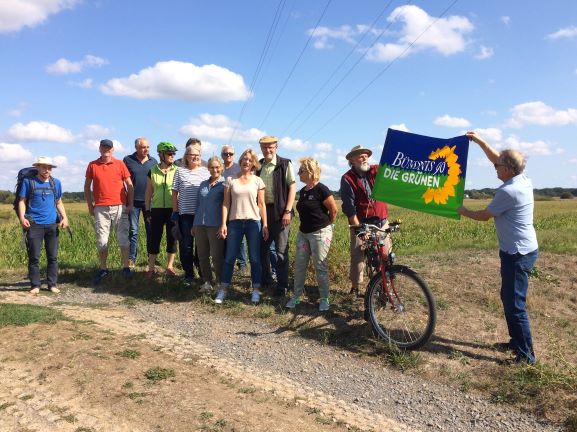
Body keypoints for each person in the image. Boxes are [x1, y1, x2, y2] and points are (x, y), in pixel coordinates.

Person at [458, 131, 539, 365]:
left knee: (515, 305)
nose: (495, 167)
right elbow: (498, 158)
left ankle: (525, 356)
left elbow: (484, 216)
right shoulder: (521, 178)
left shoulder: (509, 191)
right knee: (507, 297)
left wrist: (464, 212)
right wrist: (480, 141)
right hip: (520, 249)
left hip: (518, 253)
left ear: (508, 169)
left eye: (498, 166)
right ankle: (516, 342)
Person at [216, 149, 268, 304]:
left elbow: (261, 204)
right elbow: (226, 203)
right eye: (244, 159)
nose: (246, 161)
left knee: (254, 258)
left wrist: (265, 224)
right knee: (230, 257)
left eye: (250, 159)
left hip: (253, 223)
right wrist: (223, 224)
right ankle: (223, 289)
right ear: (240, 161)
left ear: (254, 163)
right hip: (235, 223)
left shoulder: (258, 181)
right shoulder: (230, 179)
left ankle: (256, 290)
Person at [286, 158, 337, 312]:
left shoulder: (322, 189)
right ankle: (296, 296)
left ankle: (324, 299)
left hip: (320, 233)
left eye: (301, 171)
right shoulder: (303, 192)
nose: (298, 173)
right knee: (300, 266)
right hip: (303, 233)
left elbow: (333, 210)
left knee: (320, 266)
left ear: (310, 172)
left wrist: (328, 226)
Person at [340, 145, 389, 295]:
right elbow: (349, 208)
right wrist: (359, 230)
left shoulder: (375, 171)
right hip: (361, 223)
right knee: (357, 257)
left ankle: (384, 284)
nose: (365, 158)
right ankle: (355, 286)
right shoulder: (347, 178)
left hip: (381, 221)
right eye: (360, 156)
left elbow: (392, 166)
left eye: (366, 155)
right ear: (352, 161)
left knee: (386, 254)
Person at [84, 139, 134, 284]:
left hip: (119, 206)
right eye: (104, 147)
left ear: (113, 150)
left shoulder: (120, 164)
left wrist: (129, 204)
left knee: (123, 239)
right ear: (99, 149)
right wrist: (90, 205)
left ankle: (126, 267)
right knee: (102, 240)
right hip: (100, 207)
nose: (106, 150)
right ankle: (103, 269)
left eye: (109, 148)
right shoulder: (92, 165)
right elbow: (87, 187)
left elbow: (129, 185)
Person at [17, 157, 69, 294]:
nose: (47, 170)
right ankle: (35, 285)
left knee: (52, 256)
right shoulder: (29, 182)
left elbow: (58, 202)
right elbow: (22, 201)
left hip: (52, 224)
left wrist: (65, 218)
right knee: (34, 257)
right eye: (44, 167)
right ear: (38, 167)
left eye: (49, 167)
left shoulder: (55, 183)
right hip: (34, 224)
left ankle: (52, 284)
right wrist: (22, 218)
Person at [256, 135, 296, 297]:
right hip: (263, 213)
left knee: (281, 251)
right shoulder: (259, 166)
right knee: (262, 250)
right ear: (261, 148)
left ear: (276, 147)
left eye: (270, 147)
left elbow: (292, 187)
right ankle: (266, 281)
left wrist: (287, 211)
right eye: (264, 147)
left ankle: (282, 285)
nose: (267, 150)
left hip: (281, 213)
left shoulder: (284, 164)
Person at [172, 142, 209, 284]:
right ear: (186, 156)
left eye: (198, 154)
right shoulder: (179, 171)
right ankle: (188, 274)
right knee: (186, 245)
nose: (195, 157)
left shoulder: (205, 171)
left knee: (201, 246)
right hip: (185, 214)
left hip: (201, 215)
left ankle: (201, 271)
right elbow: (174, 193)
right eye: (192, 155)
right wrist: (175, 212)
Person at [144, 142, 178, 278]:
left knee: (172, 238)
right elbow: (148, 192)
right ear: (161, 154)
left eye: (173, 154)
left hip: (172, 209)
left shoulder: (177, 170)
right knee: (154, 238)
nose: (172, 156)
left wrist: (178, 210)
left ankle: (169, 266)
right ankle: (151, 268)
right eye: (169, 153)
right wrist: (147, 210)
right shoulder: (152, 170)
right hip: (157, 209)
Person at [123, 137, 157, 268]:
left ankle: (151, 258)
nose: (146, 149)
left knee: (151, 230)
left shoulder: (153, 161)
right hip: (133, 202)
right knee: (133, 230)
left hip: (149, 202)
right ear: (136, 148)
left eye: (148, 147)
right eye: (143, 147)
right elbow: (122, 179)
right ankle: (132, 258)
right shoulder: (127, 160)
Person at [193, 156, 225, 292]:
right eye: (212, 167)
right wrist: (194, 224)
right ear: (208, 169)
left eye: (217, 167)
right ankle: (207, 281)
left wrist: (223, 225)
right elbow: (198, 204)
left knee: (217, 256)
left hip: (215, 225)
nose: (214, 169)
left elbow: (226, 205)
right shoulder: (203, 184)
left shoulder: (225, 185)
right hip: (200, 224)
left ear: (221, 168)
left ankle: (220, 282)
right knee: (202, 255)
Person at [221, 144, 247, 274]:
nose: (228, 156)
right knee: (225, 235)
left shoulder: (238, 168)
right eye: (225, 154)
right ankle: (226, 260)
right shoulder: (220, 168)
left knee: (240, 238)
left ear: (234, 155)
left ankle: (242, 263)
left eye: (230, 154)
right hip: (222, 205)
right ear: (222, 156)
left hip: (236, 205)